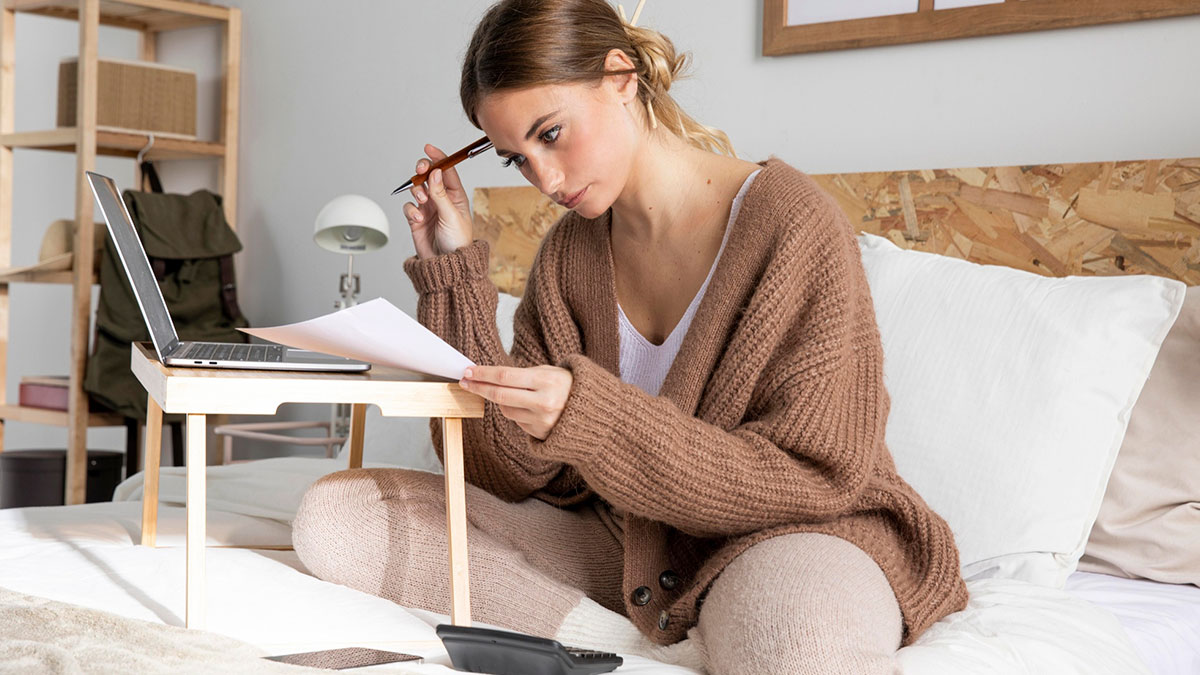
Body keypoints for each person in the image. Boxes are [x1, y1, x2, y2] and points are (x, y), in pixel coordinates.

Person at [292, 1, 969, 673]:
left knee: (799, 649)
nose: (545, 180)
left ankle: (635, 632)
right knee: (338, 516)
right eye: (516, 160)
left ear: (621, 77)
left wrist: (590, 418)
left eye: (551, 134)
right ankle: (626, 643)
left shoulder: (791, 224)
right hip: (625, 536)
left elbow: (817, 478)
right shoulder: (568, 254)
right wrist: (452, 272)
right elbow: (505, 471)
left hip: (789, 532)